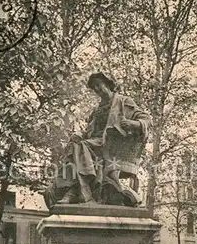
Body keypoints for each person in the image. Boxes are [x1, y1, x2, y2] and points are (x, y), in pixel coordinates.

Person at [44, 72, 150, 208]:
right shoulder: (97, 109)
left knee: (80, 147)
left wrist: (133, 124)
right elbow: (89, 131)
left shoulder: (123, 101)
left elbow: (146, 119)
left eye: (99, 86)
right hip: (94, 143)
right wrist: (79, 135)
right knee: (76, 144)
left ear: (107, 84)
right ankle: (76, 190)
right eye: (94, 88)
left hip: (112, 146)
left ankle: (75, 192)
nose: (97, 90)